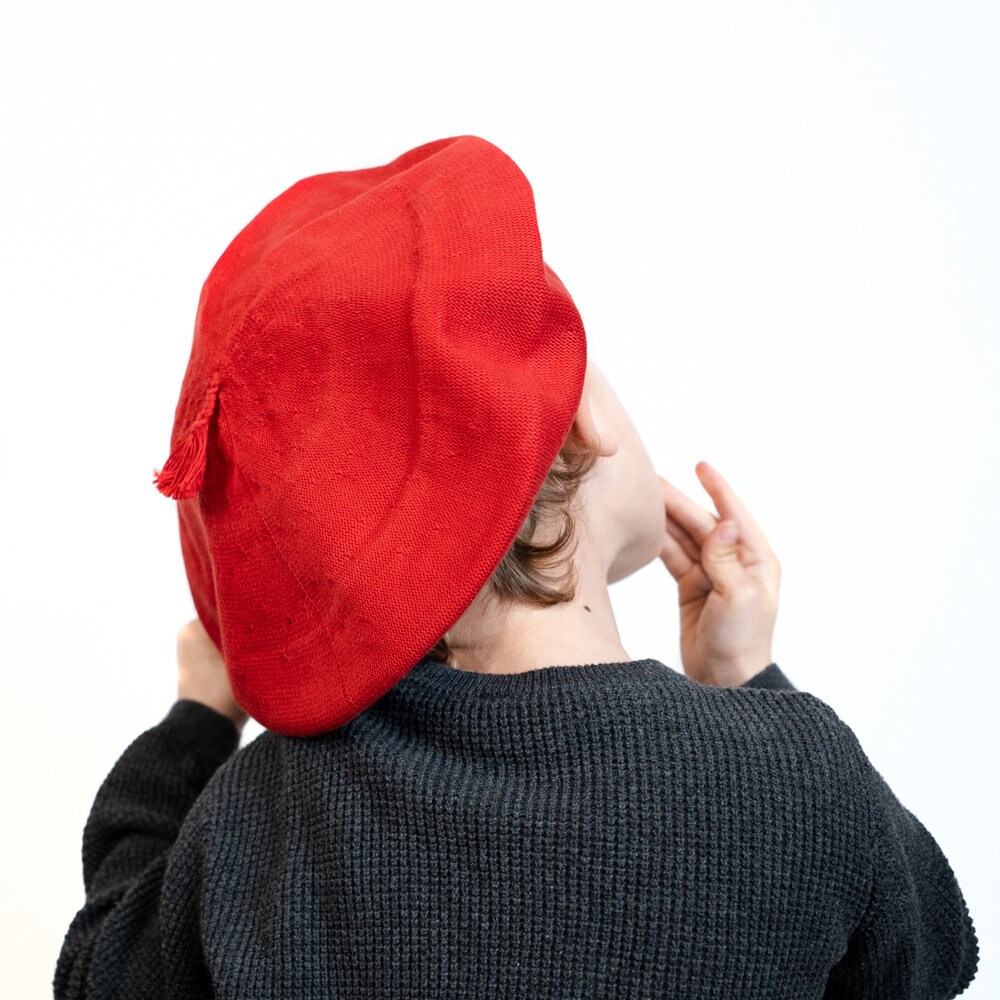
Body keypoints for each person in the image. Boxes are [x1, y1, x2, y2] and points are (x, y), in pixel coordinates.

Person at [54, 136, 978, 998]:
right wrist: (750, 682)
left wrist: (197, 716)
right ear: (581, 425)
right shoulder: (798, 778)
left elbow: (99, 971)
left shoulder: (266, 821)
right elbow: (930, 955)